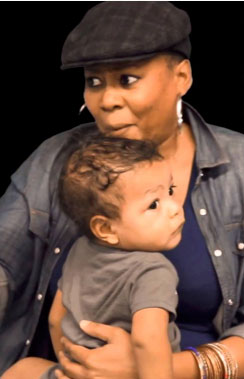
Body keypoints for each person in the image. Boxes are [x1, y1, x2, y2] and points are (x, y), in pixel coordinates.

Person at [0, 2, 244, 379]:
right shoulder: (56, 160)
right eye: (94, 82)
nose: (107, 101)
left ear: (181, 77)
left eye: (127, 79)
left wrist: (164, 368)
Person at [39, 133, 184, 379]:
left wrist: (68, 367)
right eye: (154, 204)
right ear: (106, 229)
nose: (174, 208)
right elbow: (148, 342)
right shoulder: (153, 271)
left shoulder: (79, 250)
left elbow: (55, 319)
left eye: (170, 190)